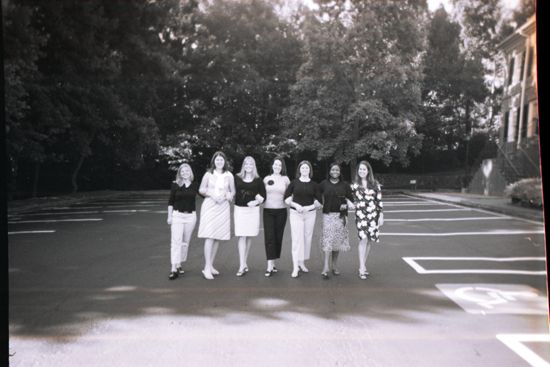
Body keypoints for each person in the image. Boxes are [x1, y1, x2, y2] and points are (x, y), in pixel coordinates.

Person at [197, 151, 235, 280]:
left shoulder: (229, 175)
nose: (219, 162)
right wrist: (212, 194)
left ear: (225, 162)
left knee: (217, 236)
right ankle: (206, 267)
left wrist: (227, 195)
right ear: (214, 161)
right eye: (217, 160)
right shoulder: (208, 174)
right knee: (209, 236)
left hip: (223, 207)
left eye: (221, 160)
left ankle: (210, 265)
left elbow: (232, 191)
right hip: (210, 206)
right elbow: (201, 189)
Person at [284, 160, 322, 278]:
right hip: (296, 214)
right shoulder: (294, 183)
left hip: (310, 215)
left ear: (309, 170)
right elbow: (286, 198)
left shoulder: (314, 185)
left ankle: (302, 263)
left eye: (307, 168)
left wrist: (309, 207)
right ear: (299, 170)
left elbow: (319, 202)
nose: (304, 170)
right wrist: (296, 205)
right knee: (297, 239)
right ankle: (295, 267)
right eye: (302, 168)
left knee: (307, 238)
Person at [318, 163, 355, 279]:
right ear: (329, 171)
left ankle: (334, 265)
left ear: (340, 172)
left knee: (336, 242)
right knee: (327, 240)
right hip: (328, 216)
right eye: (333, 169)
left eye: (337, 170)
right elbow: (317, 196)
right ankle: (325, 267)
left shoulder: (345, 185)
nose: (335, 171)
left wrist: (347, 205)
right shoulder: (324, 184)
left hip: (341, 216)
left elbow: (350, 199)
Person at [350, 160, 383, 280]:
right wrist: (350, 204)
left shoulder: (375, 184)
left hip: (373, 215)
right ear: (358, 171)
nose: (362, 171)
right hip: (361, 216)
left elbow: (379, 201)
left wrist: (381, 216)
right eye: (360, 169)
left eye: (364, 169)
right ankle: (362, 267)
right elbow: (349, 198)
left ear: (368, 171)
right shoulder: (354, 185)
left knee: (369, 240)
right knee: (363, 239)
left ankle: (362, 266)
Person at [233, 156, 266, 276]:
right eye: (246, 164)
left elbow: (263, 197)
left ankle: (244, 262)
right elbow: (232, 191)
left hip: (252, 211)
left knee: (249, 236)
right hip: (240, 210)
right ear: (243, 165)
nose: (248, 166)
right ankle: (241, 265)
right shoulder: (237, 177)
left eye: (251, 164)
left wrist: (256, 202)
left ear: (254, 166)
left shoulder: (258, 179)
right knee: (241, 236)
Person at [167, 162, 199, 280]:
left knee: (185, 242)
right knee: (176, 241)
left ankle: (179, 263)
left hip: (190, 217)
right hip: (177, 216)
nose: (185, 173)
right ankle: (173, 268)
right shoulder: (175, 185)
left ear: (190, 172)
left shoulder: (195, 185)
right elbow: (170, 202)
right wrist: (169, 216)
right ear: (179, 173)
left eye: (187, 171)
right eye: (182, 171)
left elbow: (205, 194)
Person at [262, 156, 291, 277]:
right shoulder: (266, 178)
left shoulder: (286, 179)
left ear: (282, 167)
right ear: (272, 165)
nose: (277, 167)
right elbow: (260, 193)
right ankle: (269, 265)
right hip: (268, 211)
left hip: (281, 211)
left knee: (278, 238)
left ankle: (273, 263)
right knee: (269, 237)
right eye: (275, 164)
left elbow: (291, 194)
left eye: (279, 165)